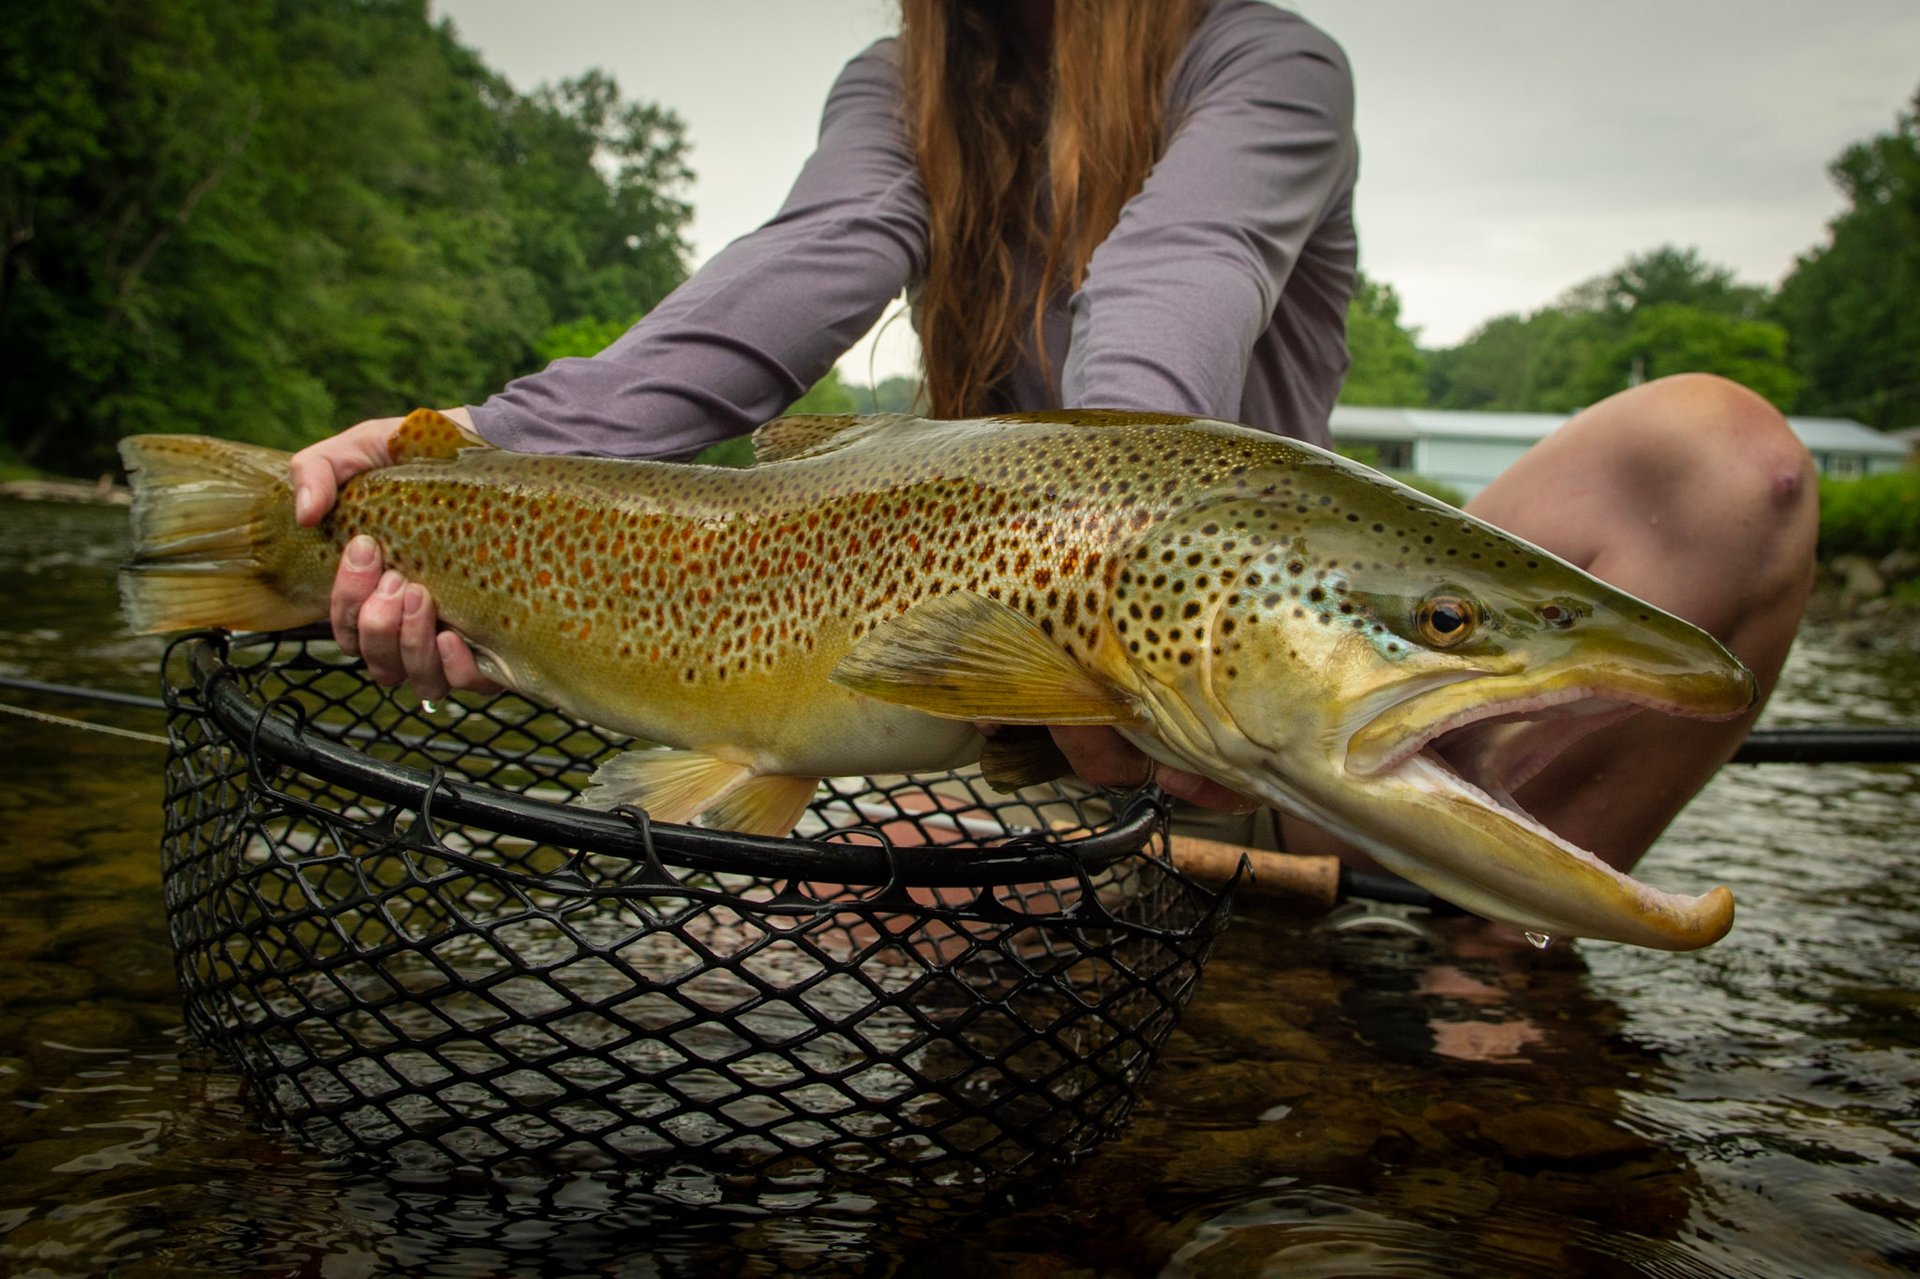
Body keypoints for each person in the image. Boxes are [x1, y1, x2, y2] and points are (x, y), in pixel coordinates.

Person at [287, 0, 1817, 885]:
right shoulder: (896, 85)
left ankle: (1495, 948)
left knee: (1722, 459)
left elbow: (1180, 263)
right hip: (1019, 728)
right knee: (731, 962)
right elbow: (817, 257)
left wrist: (1122, 578)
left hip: (1272, 678)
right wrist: (485, 442)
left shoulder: (1264, 58)